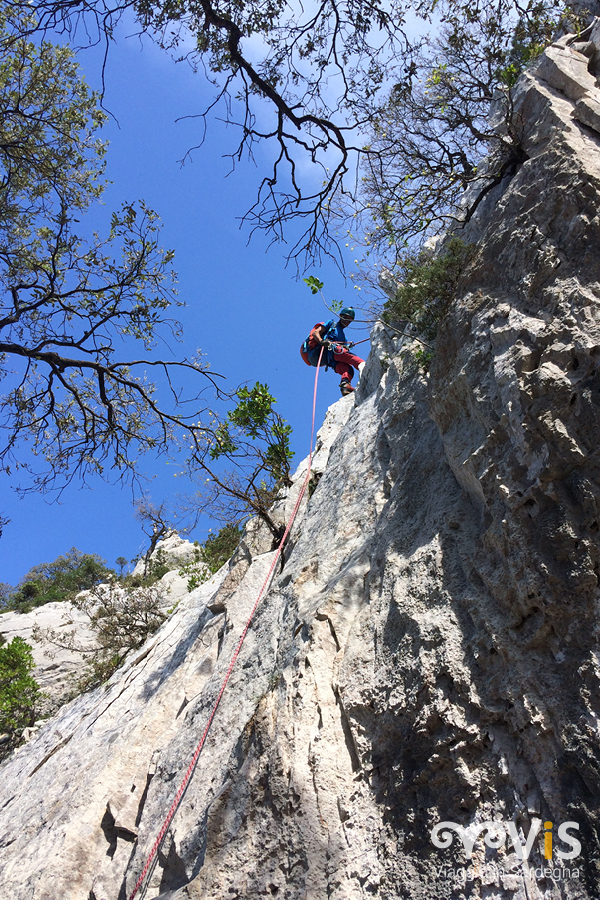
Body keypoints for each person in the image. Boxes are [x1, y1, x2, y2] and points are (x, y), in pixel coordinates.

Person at [301, 307, 365, 396]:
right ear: (340, 316)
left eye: (349, 320)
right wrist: (321, 341)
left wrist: (347, 346)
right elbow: (316, 332)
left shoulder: (343, 338)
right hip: (324, 351)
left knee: (348, 369)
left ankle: (345, 386)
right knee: (346, 354)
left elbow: (345, 350)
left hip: (330, 360)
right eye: (346, 318)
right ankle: (365, 367)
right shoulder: (332, 324)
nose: (347, 321)